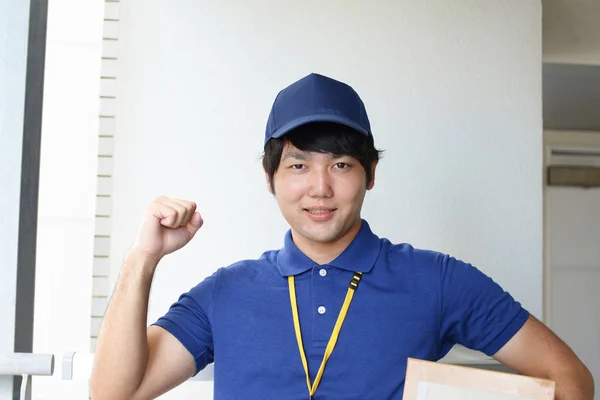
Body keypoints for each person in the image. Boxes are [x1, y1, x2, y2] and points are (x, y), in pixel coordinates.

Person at [90, 73, 594, 400]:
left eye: (341, 164)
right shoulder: (225, 293)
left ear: (370, 173)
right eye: (297, 165)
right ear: (270, 179)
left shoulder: (438, 280)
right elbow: (111, 396)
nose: (320, 187)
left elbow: (573, 381)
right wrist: (143, 258)